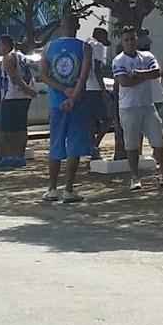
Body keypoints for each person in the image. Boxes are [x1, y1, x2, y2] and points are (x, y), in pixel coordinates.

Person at [113, 28, 163, 190]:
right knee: (132, 144)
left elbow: (156, 73)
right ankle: (135, 177)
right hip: (128, 107)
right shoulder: (118, 60)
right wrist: (144, 76)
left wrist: (137, 74)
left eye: (132, 39)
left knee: (159, 140)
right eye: (126, 40)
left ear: (137, 40)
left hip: (148, 106)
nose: (130, 42)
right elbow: (125, 82)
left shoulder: (147, 56)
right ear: (122, 42)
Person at [41, 15, 92, 203]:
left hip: (56, 102)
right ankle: (68, 189)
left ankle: (52, 188)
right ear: (77, 26)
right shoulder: (85, 47)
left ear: (60, 26)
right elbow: (83, 76)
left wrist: (63, 90)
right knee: (74, 147)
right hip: (78, 103)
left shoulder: (48, 48)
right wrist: (73, 96)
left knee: (55, 144)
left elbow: (43, 75)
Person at [0, 35, 35, 169]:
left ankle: (8, 157)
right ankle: (19, 156)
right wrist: (29, 91)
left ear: (5, 45)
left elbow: (14, 78)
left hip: (12, 96)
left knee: (4, 130)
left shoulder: (9, 57)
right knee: (20, 128)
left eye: (0, 45)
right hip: (24, 97)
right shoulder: (22, 57)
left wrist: (27, 89)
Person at [86, 27, 112, 158]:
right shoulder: (98, 46)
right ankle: (95, 145)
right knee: (108, 118)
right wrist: (103, 90)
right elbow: (97, 69)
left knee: (90, 121)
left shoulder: (86, 44)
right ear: (100, 36)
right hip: (95, 88)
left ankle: (92, 147)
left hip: (85, 87)